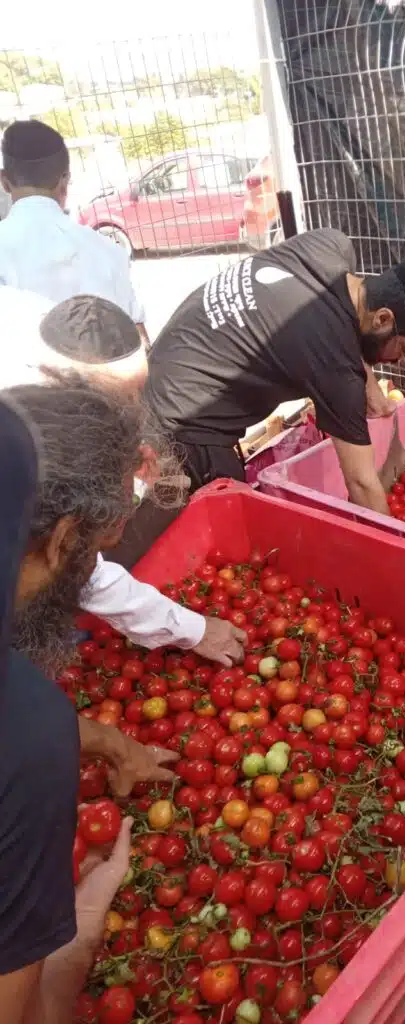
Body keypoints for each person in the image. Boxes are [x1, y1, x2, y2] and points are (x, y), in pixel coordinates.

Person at [0, 380, 177, 1022]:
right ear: (60, 538)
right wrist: (77, 933)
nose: (92, 579)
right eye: (95, 555)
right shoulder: (26, 735)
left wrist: (108, 740)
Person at [0, 285, 246, 667]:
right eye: (116, 406)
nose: (132, 412)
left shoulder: (57, 336)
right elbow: (82, 566)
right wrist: (190, 628)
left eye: (135, 396)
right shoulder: (21, 445)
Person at [144, 228, 405, 512]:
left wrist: (370, 385)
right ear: (383, 319)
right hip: (179, 423)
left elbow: (342, 330)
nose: (401, 362)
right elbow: (361, 483)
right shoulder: (336, 371)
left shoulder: (329, 246)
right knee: (226, 523)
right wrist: (402, 555)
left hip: (163, 365)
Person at [0, 120, 148, 348]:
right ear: (65, 181)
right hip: (103, 378)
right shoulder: (109, 251)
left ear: (4, 182)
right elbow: (140, 342)